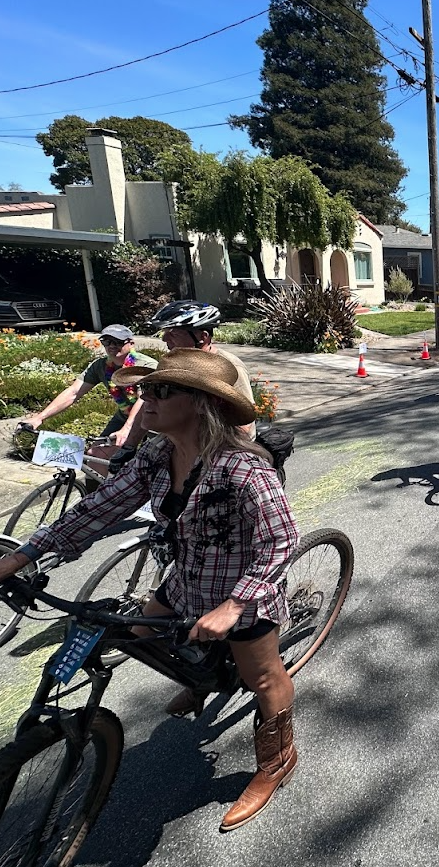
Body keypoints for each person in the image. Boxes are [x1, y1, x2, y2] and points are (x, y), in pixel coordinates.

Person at [0, 348, 299, 832]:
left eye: (161, 390)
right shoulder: (158, 455)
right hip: (185, 585)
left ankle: (277, 760)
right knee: (137, 632)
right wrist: (19, 557)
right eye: (145, 389)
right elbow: (98, 508)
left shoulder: (245, 469)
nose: (146, 399)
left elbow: (282, 539)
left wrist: (236, 604)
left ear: (200, 403)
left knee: (263, 678)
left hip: (243, 595)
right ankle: (202, 676)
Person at [116, 302, 257, 474]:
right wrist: (129, 446)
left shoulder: (230, 368)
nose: (164, 339)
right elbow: (148, 405)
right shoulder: (173, 366)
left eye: (173, 333)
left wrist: (219, 463)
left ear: (203, 337)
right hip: (180, 452)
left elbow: (244, 424)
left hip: (215, 458)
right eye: (165, 333)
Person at [22, 324, 157, 475]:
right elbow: (73, 392)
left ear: (130, 343)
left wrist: (126, 429)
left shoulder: (145, 366)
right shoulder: (101, 366)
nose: (112, 346)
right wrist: (39, 418)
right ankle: (100, 494)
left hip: (153, 416)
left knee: (154, 462)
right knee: (94, 454)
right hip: (124, 415)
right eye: (107, 341)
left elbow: (144, 400)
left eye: (118, 342)